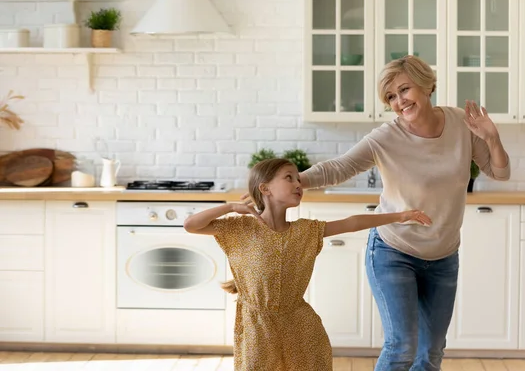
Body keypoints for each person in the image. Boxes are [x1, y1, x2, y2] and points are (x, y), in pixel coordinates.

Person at [298, 56, 511, 371]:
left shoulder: (460, 125)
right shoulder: (387, 137)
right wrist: (291, 182)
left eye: (404, 90)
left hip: (444, 256)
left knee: (431, 352)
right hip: (393, 251)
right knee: (402, 348)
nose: (399, 102)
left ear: (426, 85)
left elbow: (500, 172)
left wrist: (492, 138)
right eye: (391, 97)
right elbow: (339, 168)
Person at [184, 158, 432, 371]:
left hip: (301, 326)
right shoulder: (238, 229)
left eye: (298, 180)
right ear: (265, 188)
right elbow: (191, 225)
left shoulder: (306, 231)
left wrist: (400, 216)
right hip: (256, 328)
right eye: (289, 178)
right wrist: (229, 206)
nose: (298, 184)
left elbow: (352, 222)